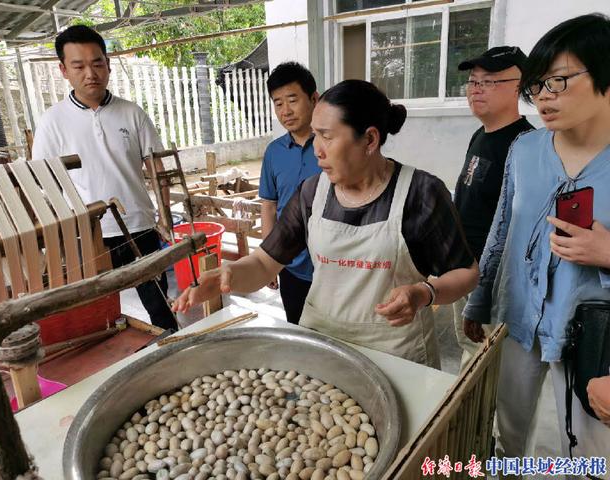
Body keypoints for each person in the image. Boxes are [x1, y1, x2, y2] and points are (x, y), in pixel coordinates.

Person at [174, 79, 478, 368]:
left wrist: (425, 293)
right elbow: (265, 263)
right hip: (323, 346)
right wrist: (231, 273)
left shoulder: (421, 193)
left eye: (327, 136)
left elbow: (466, 272)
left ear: (370, 139)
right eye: (315, 135)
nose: (317, 149)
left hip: (396, 353)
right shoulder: (311, 193)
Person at [463, 13, 610, 466]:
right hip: (520, 317)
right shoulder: (524, 150)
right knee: (509, 426)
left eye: (559, 81)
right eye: (537, 86)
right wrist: (478, 300)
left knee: (585, 450)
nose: (543, 98)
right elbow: (502, 228)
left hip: (594, 335)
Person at [32, 25, 178, 331]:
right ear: (63, 70)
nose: (90, 73)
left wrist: (164, 217)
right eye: (79, 66)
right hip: (88, 237)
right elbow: (44, 185)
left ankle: (173, 356)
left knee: (160, 307)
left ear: (108, 64)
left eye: (97, 63)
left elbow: (157, 170)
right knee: (95, 318)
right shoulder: (52, 123)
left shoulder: (132, 114)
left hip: (140, 228)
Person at [452, 46, 534, 365]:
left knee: (488, 363)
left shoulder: (525, 145)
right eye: (473, 81)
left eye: (488, 81)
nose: (476, 89)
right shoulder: (480, 134)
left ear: (519, 86)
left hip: (492, 284)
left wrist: (484, 293)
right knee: (469, 350)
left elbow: (520, 231)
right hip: (463, 269)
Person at [259, 62, 321, 324]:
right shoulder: (274, 152)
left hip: (331, 267)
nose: (285, 111)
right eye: (278, 103)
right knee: (298, 331)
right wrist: (269, 259)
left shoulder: (333, 146)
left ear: (314, 99)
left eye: (292, 100)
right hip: (291, 266)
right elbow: (269, 206)